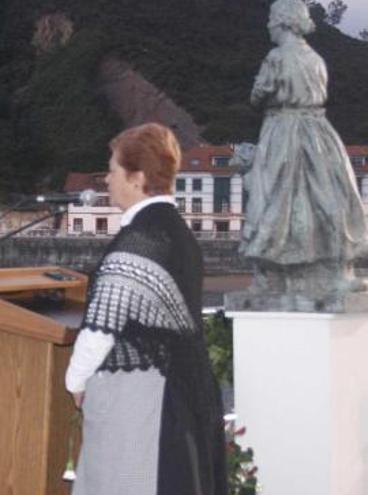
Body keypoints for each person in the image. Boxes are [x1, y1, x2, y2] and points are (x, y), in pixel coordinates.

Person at [64, 123, 226, 495]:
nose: (106, 180)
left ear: (136, 178)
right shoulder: (178, 233)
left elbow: (101, 328)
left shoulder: (142, 239)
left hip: (145, 402)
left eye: (113, 169)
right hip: (185, 389)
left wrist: (74, 381)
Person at [242, 0, 368, 295]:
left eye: (271, 19)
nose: (268, 25)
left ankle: (273, 274)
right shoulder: (315, 59)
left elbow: (258, 96)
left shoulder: (276, 58)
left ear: (283, 21)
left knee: (272, 198)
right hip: (319, 132)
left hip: (283, 131)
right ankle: (334, 267)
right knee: (327, 195)